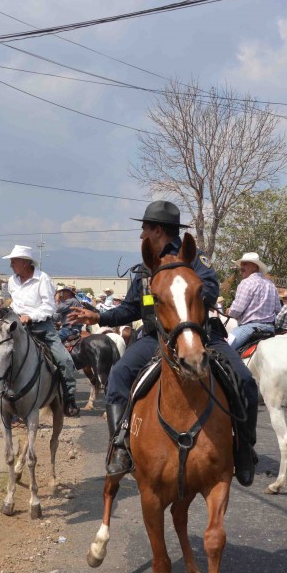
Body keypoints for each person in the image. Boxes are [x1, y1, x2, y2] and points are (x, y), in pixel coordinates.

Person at [68, 200, 259, 484]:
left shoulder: (193, 256)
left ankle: (244, 449)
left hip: (201, 334)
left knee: (245, 381)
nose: (141, 235)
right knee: (119, 375)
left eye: (144, 229)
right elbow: (131, 309)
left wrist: (175, 288)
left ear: (157, 230)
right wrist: (98, 316)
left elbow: (209, 288)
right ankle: (120, 447)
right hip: (156, 337)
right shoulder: (146, 267)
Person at [3, 245, 80, 417]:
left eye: (13, 261)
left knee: (65, 360)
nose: (11, 265)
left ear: (25, 262)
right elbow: (14, 302)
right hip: (17, 325)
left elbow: (49, 307)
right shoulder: (11, 281)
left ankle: (69, 398)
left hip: (41, 327)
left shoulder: (43, 279)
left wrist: (30, 316)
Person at [226, 252, 280, 349]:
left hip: (249, 328)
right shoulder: (271, 285)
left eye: (245, 264)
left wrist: (229, 311)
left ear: (254, 267)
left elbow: (237, 310)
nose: (241, 267)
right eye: (241, 264)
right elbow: (278, 310)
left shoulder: (246, 283)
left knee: (222, 349)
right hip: (270, 329)